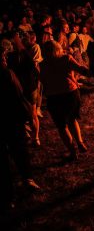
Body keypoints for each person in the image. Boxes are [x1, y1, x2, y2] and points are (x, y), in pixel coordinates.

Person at [0, 45, 40, 211]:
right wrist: (27, 115)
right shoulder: (6, 73)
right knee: (20, 150)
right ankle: (26, 179)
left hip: (9, 118)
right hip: (10, 119)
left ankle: (8, 195)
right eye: (3, 57)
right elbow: (18, 94)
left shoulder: (7, 72)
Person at [39, 41, 89, 160]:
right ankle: (80, 143)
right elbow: (81, 69)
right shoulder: (66, 58)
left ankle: (73, 152)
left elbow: (41, 79)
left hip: (54, 96)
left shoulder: (42, 64)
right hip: (70, 93)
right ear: (58, 49)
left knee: (62, 126)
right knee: (72, 119)